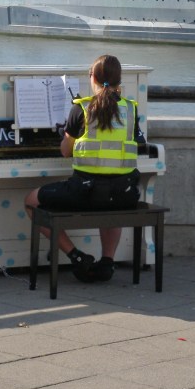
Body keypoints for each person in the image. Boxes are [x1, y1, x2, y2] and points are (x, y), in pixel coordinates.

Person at [25, 54, 143, 283]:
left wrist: (67, 135)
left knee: (31, 201)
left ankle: (76, 256)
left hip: (85, 193)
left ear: (93, 77)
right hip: (124, 194)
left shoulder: (82, 109)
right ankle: (107, 263)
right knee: (110, 201)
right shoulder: (131, 109)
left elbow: (65, 151)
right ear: (120, 80)